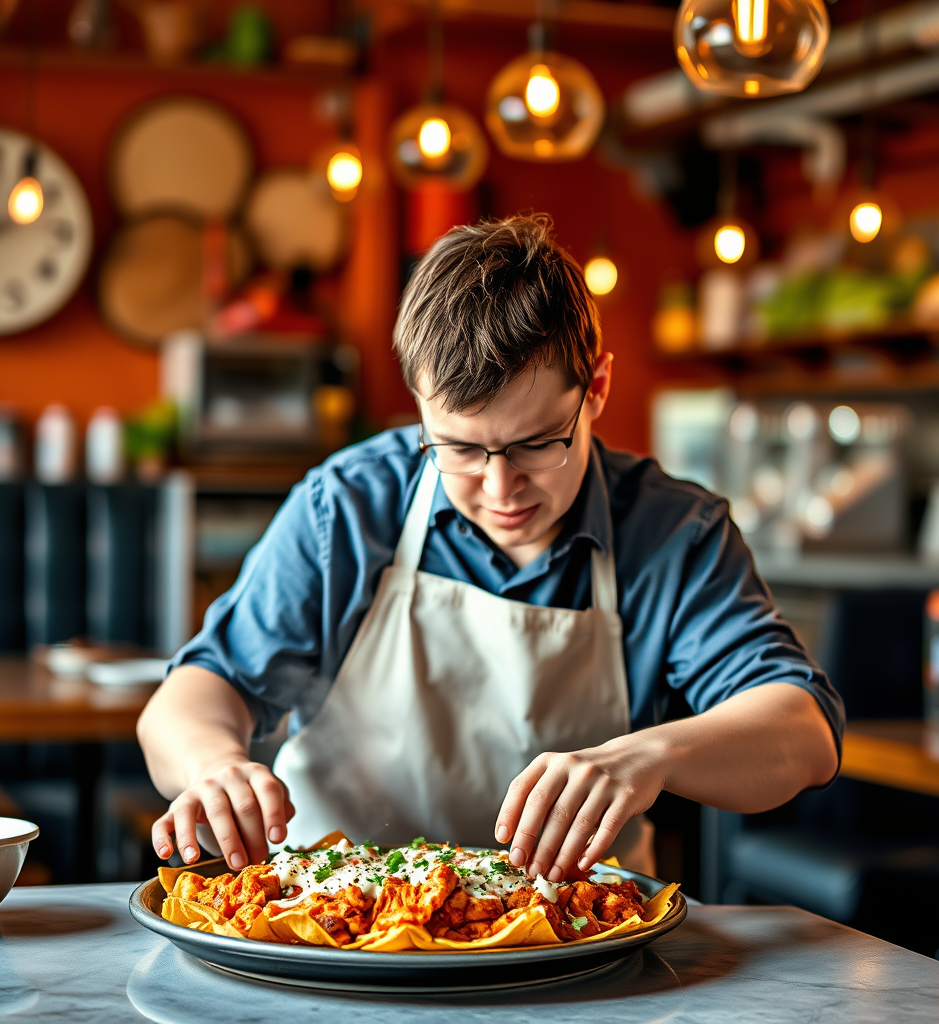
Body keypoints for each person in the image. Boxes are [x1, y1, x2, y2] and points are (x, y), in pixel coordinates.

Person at [138, 213, 843, 884]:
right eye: (459, 449)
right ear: (420, 405)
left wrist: (651, 756)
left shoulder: (673, 533)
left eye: (537, 443)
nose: (501, 487)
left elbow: (802, 731)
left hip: (577, 944)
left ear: (595, 388)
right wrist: (214, 765)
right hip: (336, 932)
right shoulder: (347, 508)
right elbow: (192, 696)